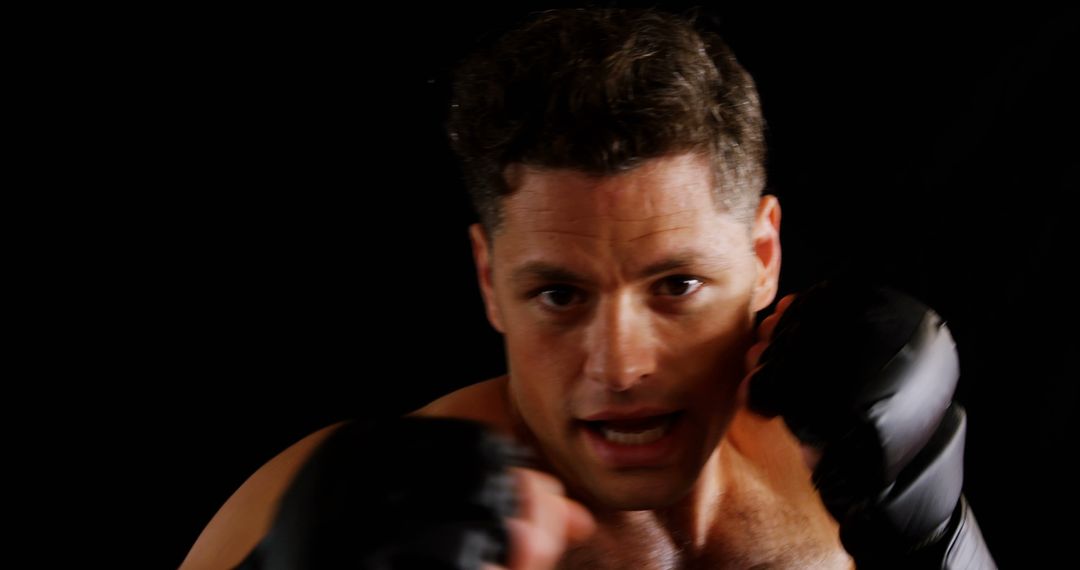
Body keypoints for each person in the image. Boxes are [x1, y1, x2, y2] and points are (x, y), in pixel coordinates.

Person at [182, 8, 993, 569]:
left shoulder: (847, 460)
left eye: (676, 285)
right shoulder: (350, 511)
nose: (620, 367)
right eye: (561, 297)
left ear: (762, 253)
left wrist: (938, 540)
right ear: (488, 280)